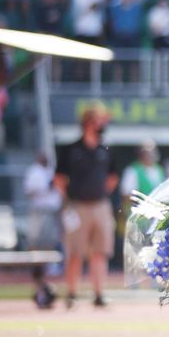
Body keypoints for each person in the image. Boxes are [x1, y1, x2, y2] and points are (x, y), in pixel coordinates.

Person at [56, 102, 119, 309]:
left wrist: (98, 193)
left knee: (100, 252)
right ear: (89, 122)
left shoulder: (105, 149)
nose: (103, 124)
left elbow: (112, 178)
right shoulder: (71, 149)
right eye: (100, 120)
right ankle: (72, 293)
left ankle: (99, 294)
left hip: (100, 205)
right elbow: (59, 179)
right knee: (75, 252)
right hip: (77, 206)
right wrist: (70, 201)